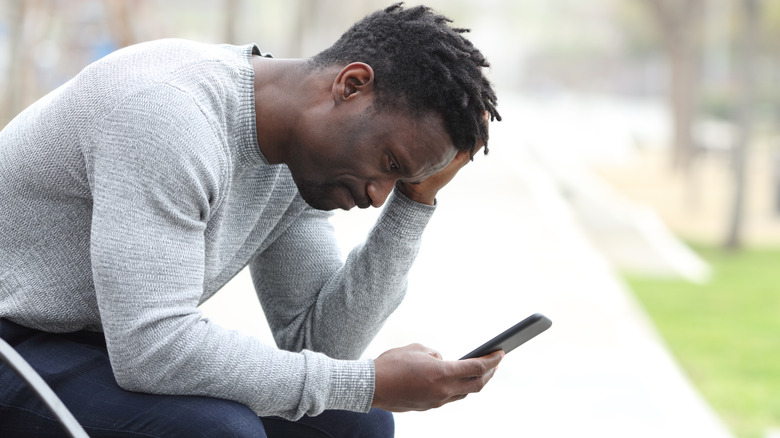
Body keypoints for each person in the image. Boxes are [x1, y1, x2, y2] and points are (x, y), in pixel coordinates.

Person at [0, 3, 502, 437]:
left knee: (354, 424)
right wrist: (368, 383)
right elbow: (152, 347)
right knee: (218, 433)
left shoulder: (298, 161)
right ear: (351, 85)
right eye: (389, 165)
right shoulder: (168, 113)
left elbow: (318, 344)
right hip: (14, 342)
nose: (376, 196)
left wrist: (414, 203)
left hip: (96, 346)